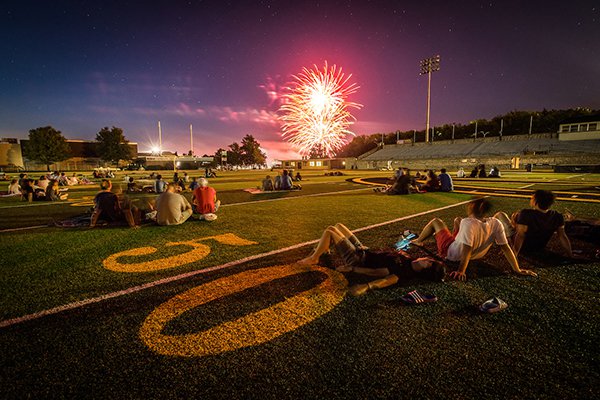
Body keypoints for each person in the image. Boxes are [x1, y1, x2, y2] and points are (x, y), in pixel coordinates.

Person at [298, 223, 446, 296]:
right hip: (364, 251)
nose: (427, 257)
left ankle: (314, 258)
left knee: (330, 231)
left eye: (429, 261)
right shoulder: (411, 260)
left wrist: (364, 283)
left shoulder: (406, 272)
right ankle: (325, 248)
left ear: (427, 266)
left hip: (358, 259)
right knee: (338, 226)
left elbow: (382, 276)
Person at [411, 198, 537, 281]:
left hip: (451, 252)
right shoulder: (496, 223)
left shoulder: (468, 223)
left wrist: (461, 270)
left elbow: (467, 249)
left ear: (471, 207)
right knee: (457, 220)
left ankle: (418, 240)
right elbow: (506, 248)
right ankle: (452, 236)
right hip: (476, 254)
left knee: (436, 222)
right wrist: (517, 269)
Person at [495, 190, 573, 258]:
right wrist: (570, 254)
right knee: (514, 217)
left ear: (536, 201)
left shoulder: (526, 214)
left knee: (500, 215)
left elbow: (520, 235)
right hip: (539, 247)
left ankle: (492, 240)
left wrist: (514, 253)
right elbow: (562, 236)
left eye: (532, 198)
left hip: (522, 247)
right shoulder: (558, 216)